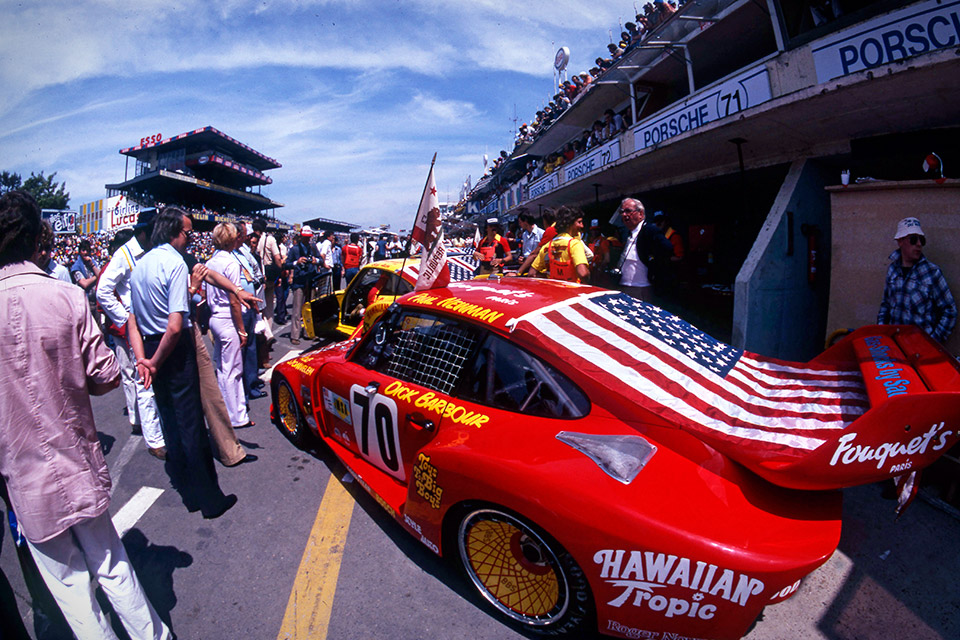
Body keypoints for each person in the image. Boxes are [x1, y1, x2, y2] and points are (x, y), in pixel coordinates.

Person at [0, 190, 171, 640]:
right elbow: (106, 377)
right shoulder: (68, 297)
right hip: (75, 457)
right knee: (111, 562)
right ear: (38, 238)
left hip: (23, 474)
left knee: (71, 588)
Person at [128, 206, 237, 519]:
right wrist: (157, 360)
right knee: (191, 424)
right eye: (188, 232)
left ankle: (189, 492)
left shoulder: (141, 264)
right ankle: (210, 499)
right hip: (172, 348)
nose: (190, 238)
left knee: (170, 421)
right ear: (174, 232)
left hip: (150, 346)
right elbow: (175, 325)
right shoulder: (174, 264)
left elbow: (133, 321)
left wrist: (145, 361)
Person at [96, 208, 167, 460]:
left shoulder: (151, 251)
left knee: (153, 378)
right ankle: (154, 439)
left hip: (153, 324)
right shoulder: (124, 254)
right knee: (143, 379)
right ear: (144, 232)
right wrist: (125, 320)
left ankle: (154, 426)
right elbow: (102, 291)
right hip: (136, 327)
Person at [205, 223, 256, 431]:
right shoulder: (231, 263)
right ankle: (237, 415)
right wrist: (241, 329)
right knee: (233, 369)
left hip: (215, 316)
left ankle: (225, 408)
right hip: (228, 318)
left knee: (222, 367)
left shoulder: (211, 261)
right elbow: (235, 300)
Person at [877, 216, 957, 343]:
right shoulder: (892, 270)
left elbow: (950, 311)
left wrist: (933, 341)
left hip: (920, 349)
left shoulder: (932, 273)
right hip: (894, 345)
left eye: (922, 240)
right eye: (913, 239)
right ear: (900, 241)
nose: (919, 244)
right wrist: (882, 334)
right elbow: (885, 305)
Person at [615, 197, 673, 301]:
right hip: (624, 287)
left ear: (640, 214)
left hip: (641, 290)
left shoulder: (649, 230)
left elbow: (667, 249)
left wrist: (654, 266)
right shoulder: (630, 233)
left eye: (628, 211)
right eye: (622, 212)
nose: (624, 215)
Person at [530, 205, 590, 283]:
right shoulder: (574, 244)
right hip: (572, 292)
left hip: (554, 291)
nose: (582, 225)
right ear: (569, 223)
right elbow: (583, 274)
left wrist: (547, 276)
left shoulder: (547, 246)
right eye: (579, 222)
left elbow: (531, 273)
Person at [285, 225, 321, 345]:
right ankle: (294, 334)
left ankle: (308, 332)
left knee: (309, 308)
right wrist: (297, 262)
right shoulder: (294, 249)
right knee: (297, 309)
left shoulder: (313, 247)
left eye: (308, 237)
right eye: (305, 237)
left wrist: (317, 261)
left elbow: (321, 259)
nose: (307, 240)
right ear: (301, 236)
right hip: (299, 280)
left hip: (310, 279)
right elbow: (286, 264)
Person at [254, 217, 282, 330]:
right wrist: (279, 273)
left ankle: (260, 333)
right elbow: (277, 259)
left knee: (258, 307)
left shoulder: (252, 238)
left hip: (256, 276)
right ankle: (268, 333)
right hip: (269, 276)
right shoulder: (269, 239)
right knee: (269, 307)